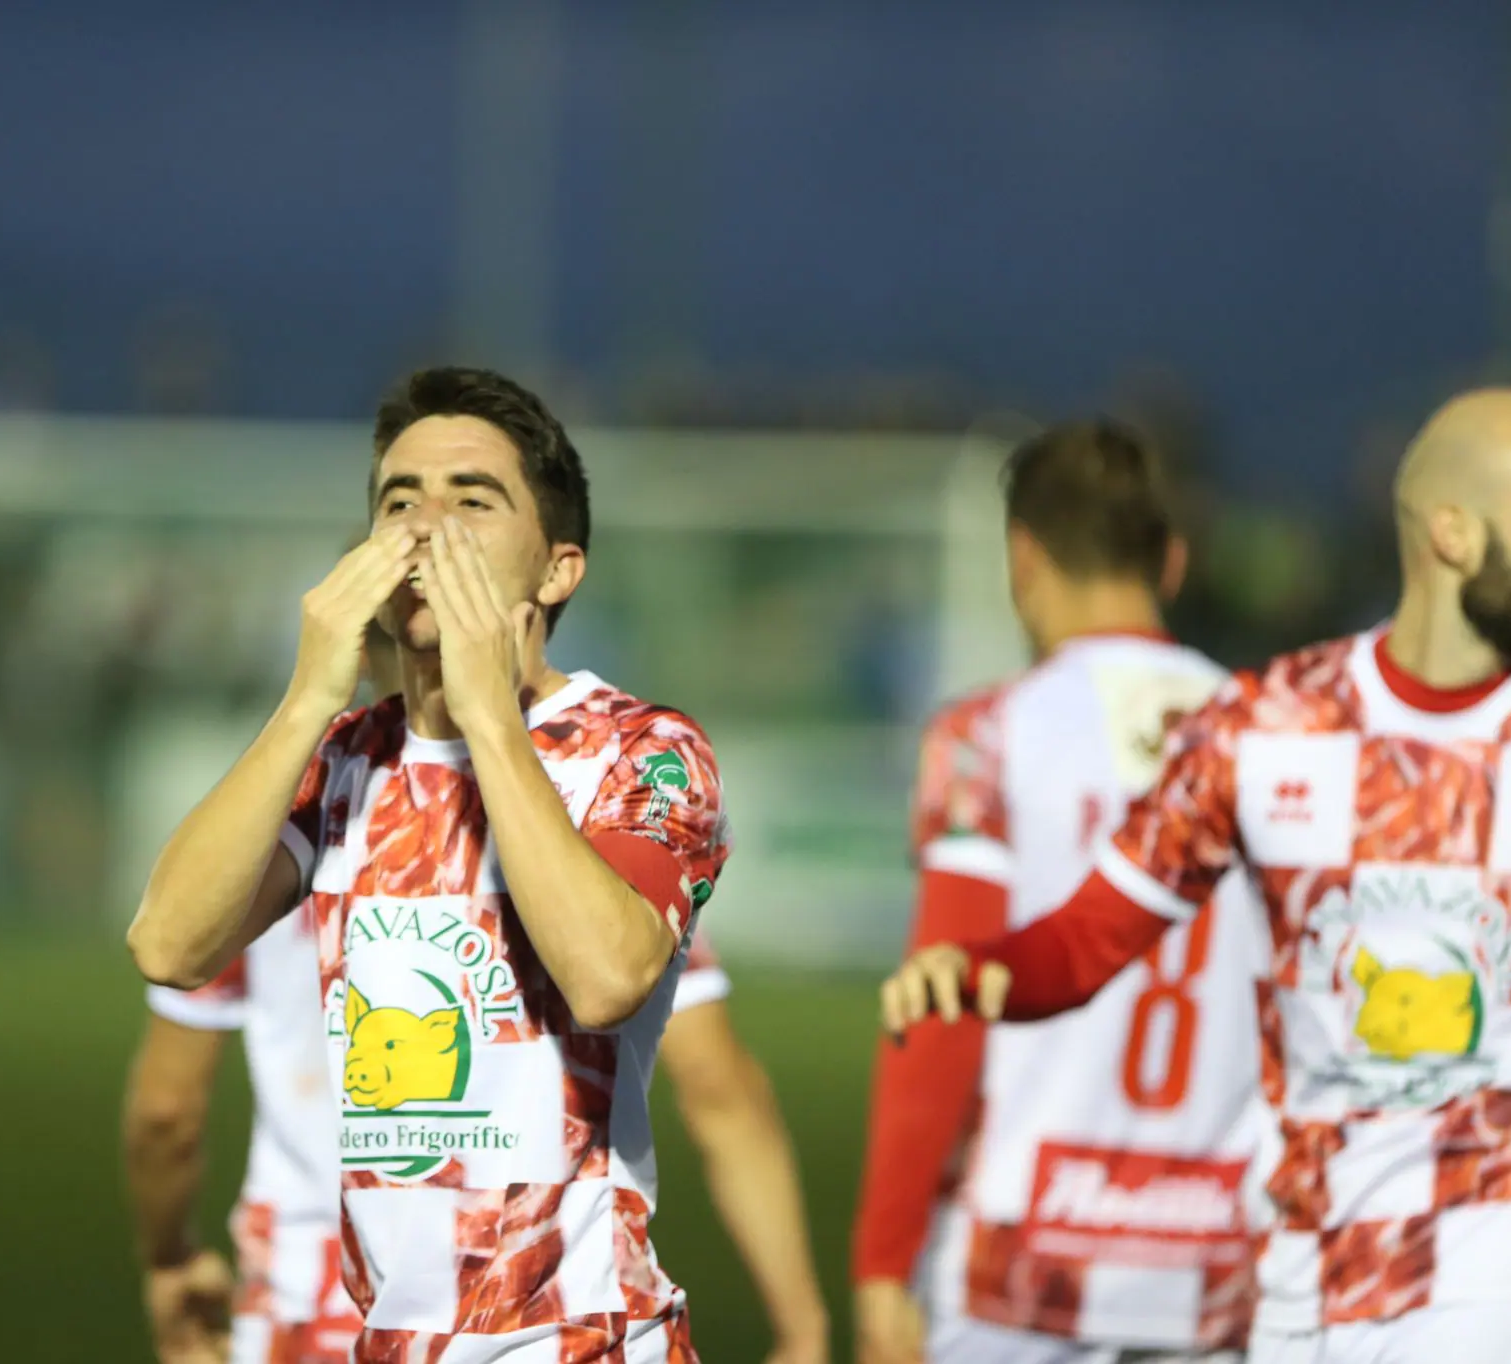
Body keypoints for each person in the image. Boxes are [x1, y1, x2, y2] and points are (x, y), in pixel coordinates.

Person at [881, 387, 1511, 1363]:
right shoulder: (1263, 725)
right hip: (1293, 1291)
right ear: (1452, 532)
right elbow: (1092, 933)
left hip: (1482, 1279)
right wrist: (977, 968)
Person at [127, 366, 731, 1361]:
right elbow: (168, 942)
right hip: (389, 1338)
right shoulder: (344, 758)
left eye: (471, 500)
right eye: (397, 500)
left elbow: (606, 972)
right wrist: (303, 700)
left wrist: (486, 710)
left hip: (581, 1334)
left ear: (555, 570)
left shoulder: (642, 749)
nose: (423, 527)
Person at [128, 623, 826, 1364]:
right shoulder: (587, 850)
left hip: (306, 1298)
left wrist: (168, 1253)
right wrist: (801, 1322)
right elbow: (721, 1090)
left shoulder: (262, 849)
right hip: (530, 1298)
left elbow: (167, 1108)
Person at [854, 421, 1268, 1364]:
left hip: (1021, 1267)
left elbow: (949, 1000)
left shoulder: (987, 736)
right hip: (1210, 1265)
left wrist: (883, 1264)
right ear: (1171, 561)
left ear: (1023, 556)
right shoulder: (1271, 739)